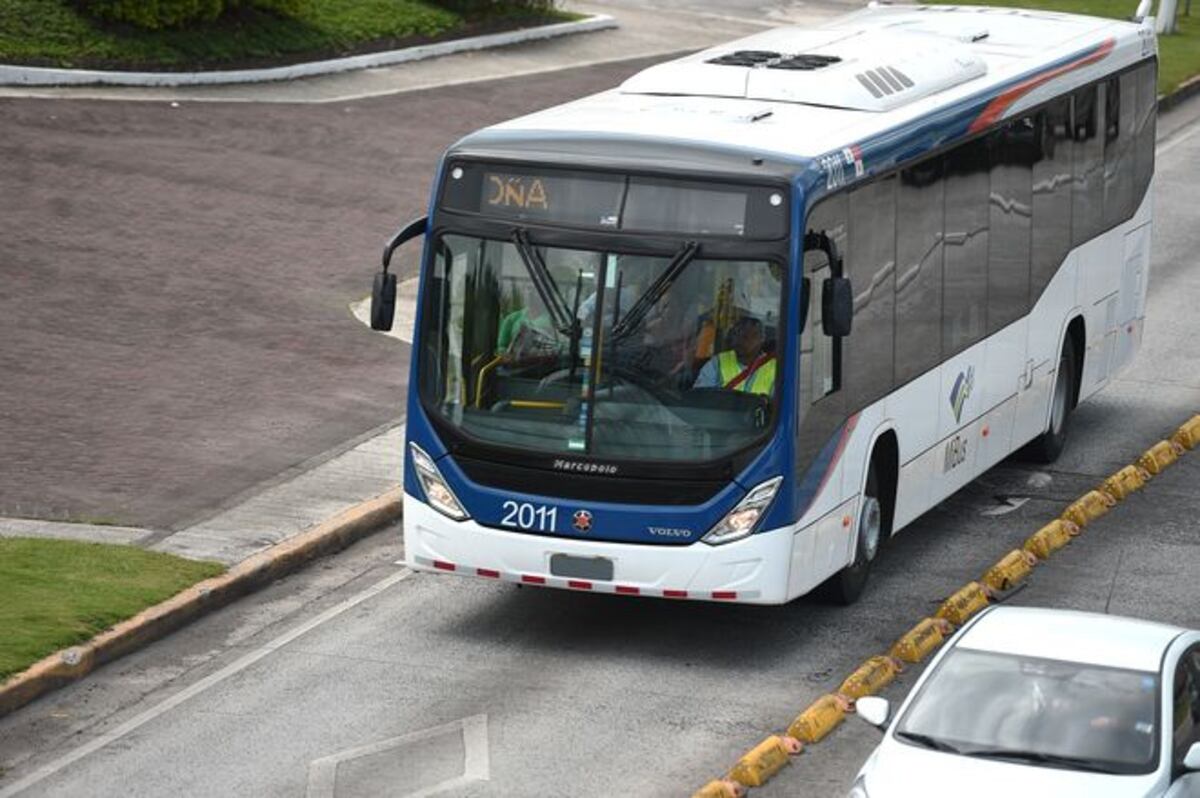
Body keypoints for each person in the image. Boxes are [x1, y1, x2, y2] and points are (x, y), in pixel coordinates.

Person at [692, 315, 775, 395]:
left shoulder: (775, 369)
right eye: (736, 335)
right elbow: (700, 397)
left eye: (745, 337)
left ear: (761, 339)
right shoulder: (717, 363)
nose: (738, 340)